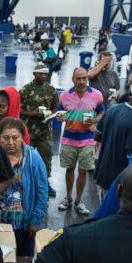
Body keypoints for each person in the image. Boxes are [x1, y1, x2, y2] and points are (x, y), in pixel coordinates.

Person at [0, 118, 48, 258]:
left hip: (22, 223)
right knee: (0, 258)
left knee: (21, 260)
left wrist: (35, 220)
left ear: (22, 137)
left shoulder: (33, 159)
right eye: (6, 138)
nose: (11, 142)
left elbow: (42, 192)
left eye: (15, 137)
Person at [56, 67, 104, 215]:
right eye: (78, 78)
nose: (82, 81)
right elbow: (60, 113)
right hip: (69, 139)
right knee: (69, 169)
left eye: (84, 78)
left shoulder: (96, 95)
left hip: (88, 140)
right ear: (73, 79)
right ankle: (68, 198)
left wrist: (96, 119)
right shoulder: (64, 95)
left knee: (83, 171)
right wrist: (60, 117)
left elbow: (101, 111)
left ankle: (78, 200)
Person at [94, 76, 132, 194]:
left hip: (103, 175)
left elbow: (97, 136)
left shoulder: (113, 109)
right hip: (119, 183)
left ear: (130, 93)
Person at [19, 63, 58, 196]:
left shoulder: (52, 90)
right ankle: (24, 184)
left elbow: (54, 108)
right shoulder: (25, 90)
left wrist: (51, 115)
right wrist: (32, 114)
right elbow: (18, 108)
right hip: (27, 131)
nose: (44, 76)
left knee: (46, 158)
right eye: (40, 73)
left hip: (45, 131)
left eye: (46, 73)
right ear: (34, 74)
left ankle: (46, 184)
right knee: (25, 158)